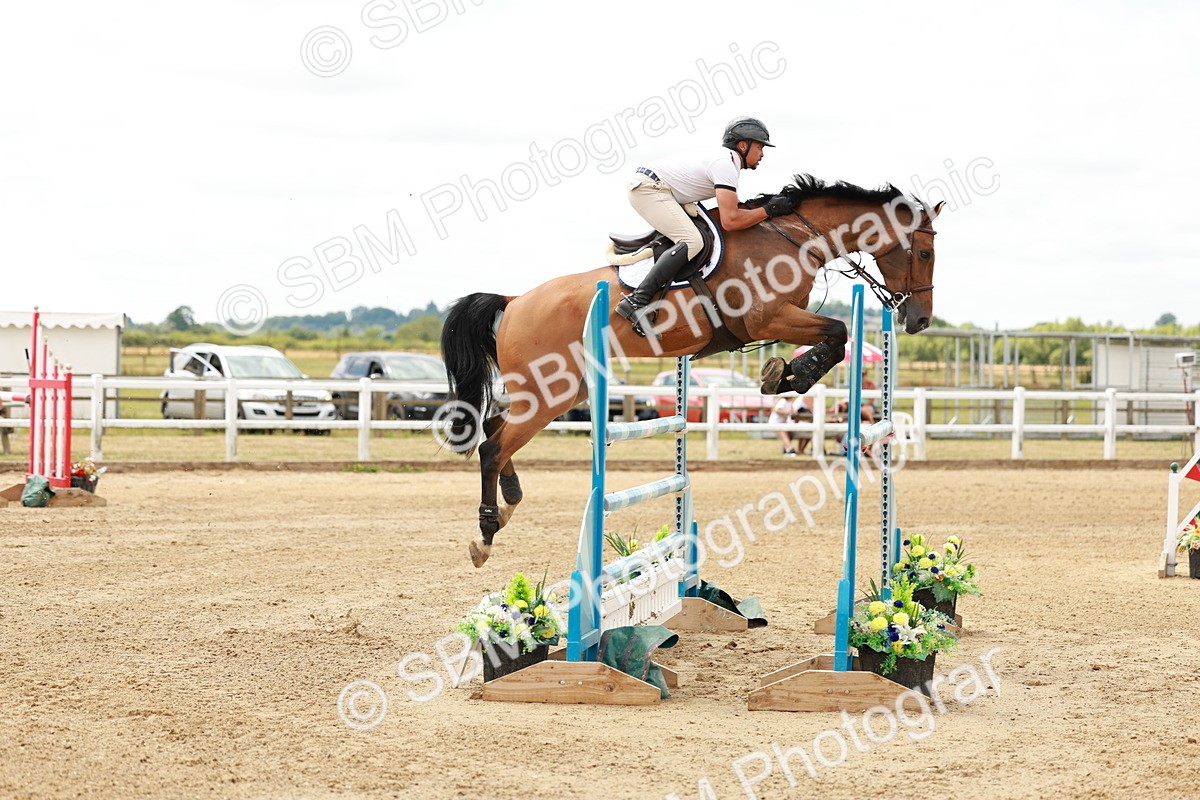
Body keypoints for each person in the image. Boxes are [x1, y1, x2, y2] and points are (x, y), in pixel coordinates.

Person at [615, 116, 797, 337]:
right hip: (649, 190)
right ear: (743, 145)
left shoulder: (727, 162)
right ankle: (636, 301)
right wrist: (768, 210)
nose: (762, 154)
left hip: (662, 190)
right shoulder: (726, 165)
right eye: (760, 147)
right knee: (693, 241)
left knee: (699, 234)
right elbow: (731, 221)